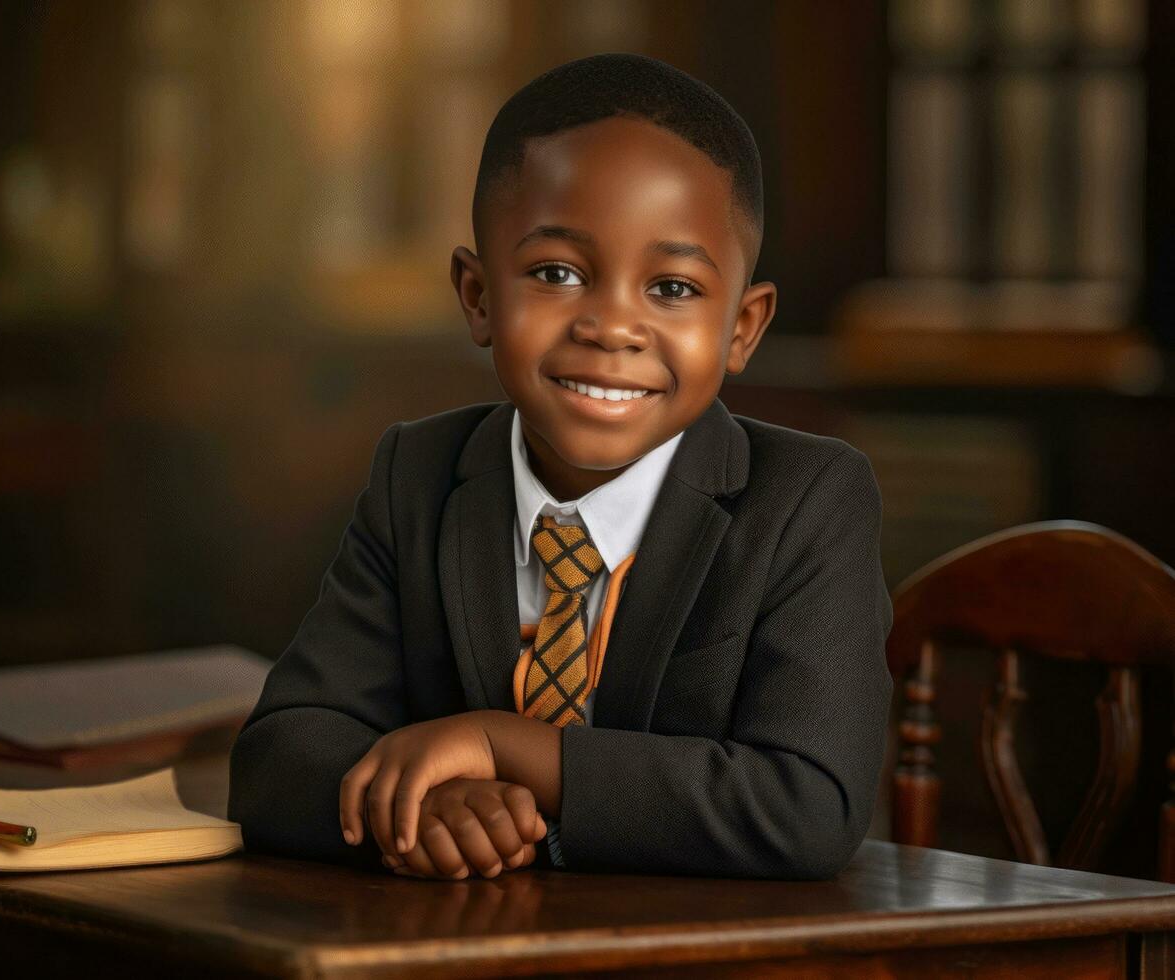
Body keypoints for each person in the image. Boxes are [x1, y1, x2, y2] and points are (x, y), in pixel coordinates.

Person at [228, 52, 893, 881]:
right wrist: (428, 802)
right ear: (476, 296)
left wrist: (499, 746)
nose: (612, 327)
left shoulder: (806, 500)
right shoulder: (419, 475)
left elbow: (805, 808)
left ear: (742, 327)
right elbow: (279, 756)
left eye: (674, 289)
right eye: (556, 274)